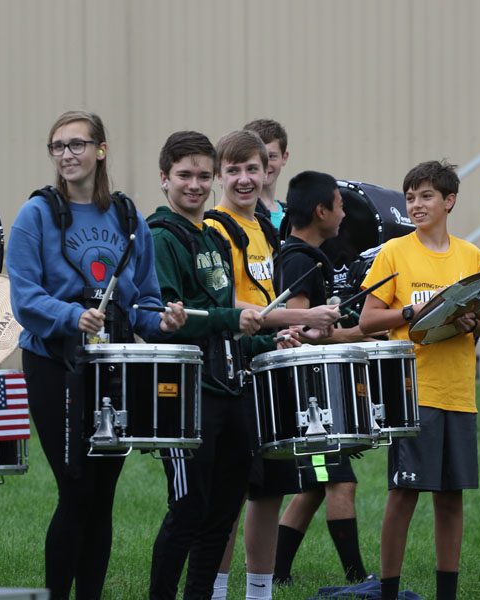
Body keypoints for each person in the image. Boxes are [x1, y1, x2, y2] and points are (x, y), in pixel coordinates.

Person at [6, 111, 185, 600]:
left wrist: (161, 321)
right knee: (76, 488)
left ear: (101, 150)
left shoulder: (127, 216)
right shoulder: (36, 215)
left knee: (102, 496)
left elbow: (144, 301)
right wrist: (71, 317)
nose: (67, 155)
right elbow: (22, 297)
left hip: (115, 365)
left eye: (77, 145)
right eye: (58, 146)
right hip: (54, 364)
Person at [147, 130, 298, 600]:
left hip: (231, 389)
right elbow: (175, 319)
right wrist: (236, 318)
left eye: (202, 176)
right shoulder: (161, 237)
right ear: (164, 179)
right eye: (184, 175)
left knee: (222, 511)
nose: (194, 185)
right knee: (189, 509)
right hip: (186, 393)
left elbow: (224, 333)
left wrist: (272, 339)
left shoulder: (209, 239)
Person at [204, 131, 339, 599]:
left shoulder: (266, 229)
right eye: (233, 170)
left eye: (252, 170)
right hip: (230, 376)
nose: (243, 179)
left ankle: (259, 592)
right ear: (220, 174)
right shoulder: (216, 228)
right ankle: (217, 591)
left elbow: (261, 304)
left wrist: (282, 332)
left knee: (269, 491)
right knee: (228, 500)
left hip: (266, 372)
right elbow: (229, 303)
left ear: (268, 172)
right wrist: (300, 316)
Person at [359, 160, 480, 600]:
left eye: (426, 196)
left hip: (459, 394)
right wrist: (409, 313)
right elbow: (367, 320)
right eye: (411, 197)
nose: (416, 205)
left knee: (451, 496)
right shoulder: (395, 253)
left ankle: (446, 594)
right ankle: (388, 590)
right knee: (404, 494)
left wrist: (472, 320)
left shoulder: (471, 256)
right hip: (412, 390)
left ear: (449, 201)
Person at [272, 171, 374, 589]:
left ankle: (277, 575)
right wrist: (362, 332)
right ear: (320, 211)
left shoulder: (313, 256)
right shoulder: (298, 259)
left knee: (315, 486)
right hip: (308, 401)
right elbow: (299, 334)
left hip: (318, 396)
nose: (344, 211)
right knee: (340, 482)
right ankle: (356, 578)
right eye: (340, 203)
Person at [244, 118, 289, 231]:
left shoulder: (291, 216)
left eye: (271, 156)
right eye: (257, 157)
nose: (264, 164)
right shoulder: (238, 213)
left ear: (284, 157)